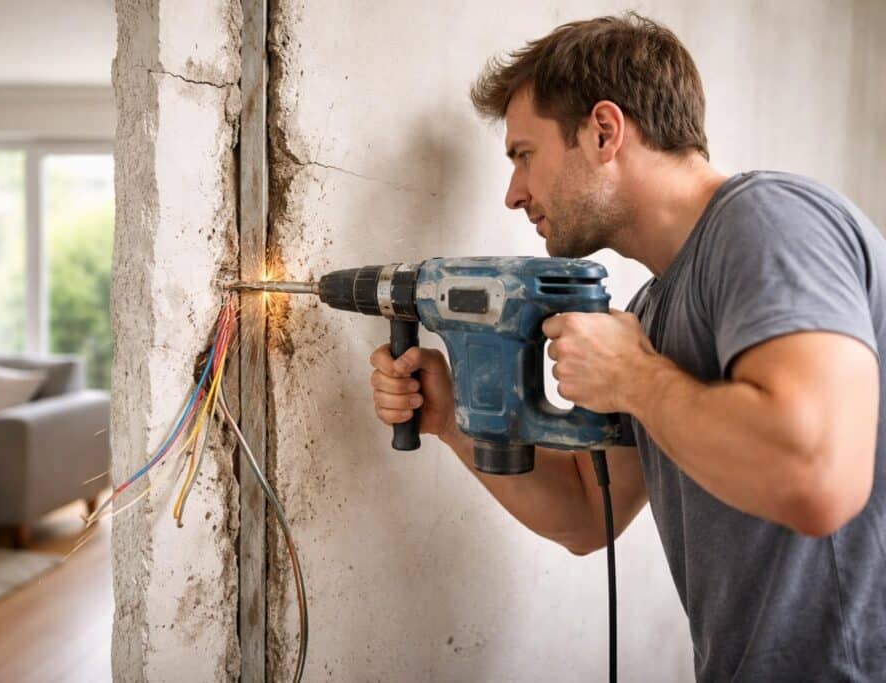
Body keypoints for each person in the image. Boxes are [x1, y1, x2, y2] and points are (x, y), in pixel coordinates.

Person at [368, 13, 885, 682]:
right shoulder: (653, 311)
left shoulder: (769, 222)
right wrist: (449, 417)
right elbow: (586, 512)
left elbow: (816, 477)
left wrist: (633, 376)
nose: (513, 192)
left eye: (524, 154)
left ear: (604, 131)